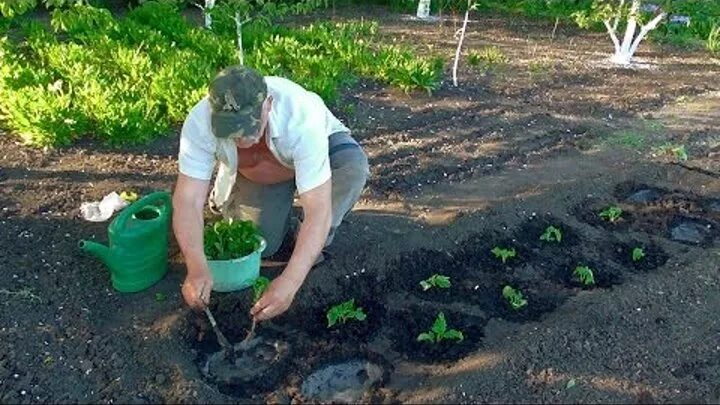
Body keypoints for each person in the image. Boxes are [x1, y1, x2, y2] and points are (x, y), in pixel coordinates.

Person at [172, 65, 369, 322]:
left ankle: (310, 239)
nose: (242, 139)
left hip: (318, 148)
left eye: (249, 126)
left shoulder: (301, 118)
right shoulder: (200, 122)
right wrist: (197, 267)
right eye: (232, 130)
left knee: (353, 168)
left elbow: (318, 210)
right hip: (261, 172)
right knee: (263, 246)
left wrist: (289, 282)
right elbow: (187, 200)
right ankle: (260, 203)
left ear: (268, 104)